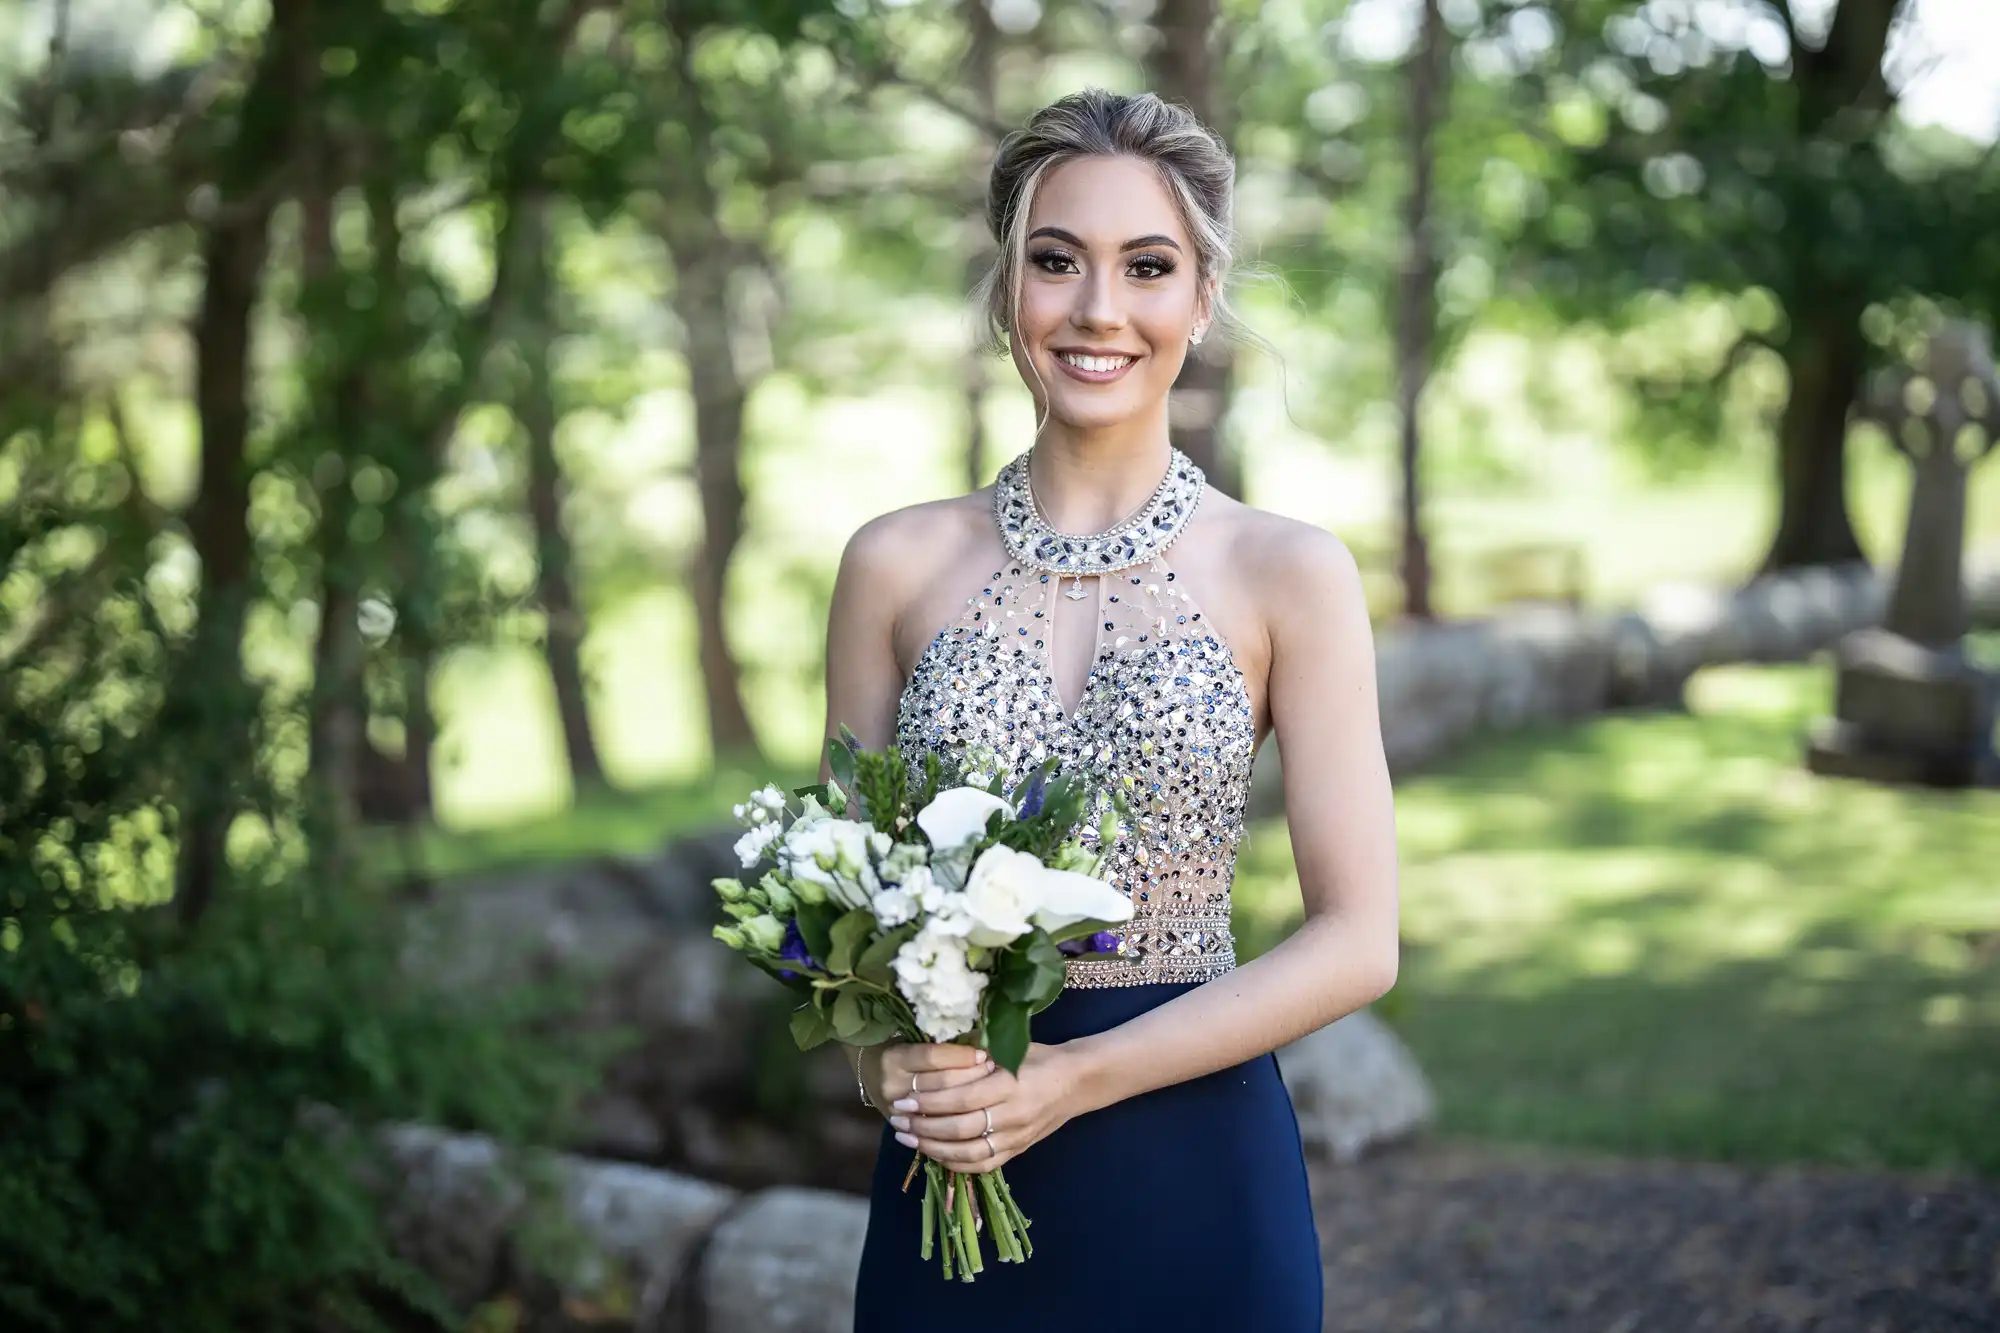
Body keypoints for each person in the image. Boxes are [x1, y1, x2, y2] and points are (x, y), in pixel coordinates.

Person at [820, 88, 1400, 1331]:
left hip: (1199, 1170)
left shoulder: (1288, 573)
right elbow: (840, 912)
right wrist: (894, 1073)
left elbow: (1359, 938)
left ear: (1200, 296)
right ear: (1005, 287)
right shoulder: (892, 565)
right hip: (956, 1163)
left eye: (1147, 266)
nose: (1096, 310)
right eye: (1054, 261)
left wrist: (1074, 1078)